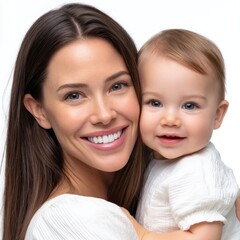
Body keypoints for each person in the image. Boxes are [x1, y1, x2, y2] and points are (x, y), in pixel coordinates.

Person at [3, 3, 147, 239]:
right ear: (40, 111)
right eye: (74, 96)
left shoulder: (157, 190)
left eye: (117, 86)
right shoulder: (65, 223)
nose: (104, 114)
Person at [132, 29, 240, 239]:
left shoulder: (196, 169)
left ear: (217, 115)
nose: (170, 119)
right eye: (155, 103)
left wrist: (142, 235)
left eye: (189, 105)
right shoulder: (155, 156)